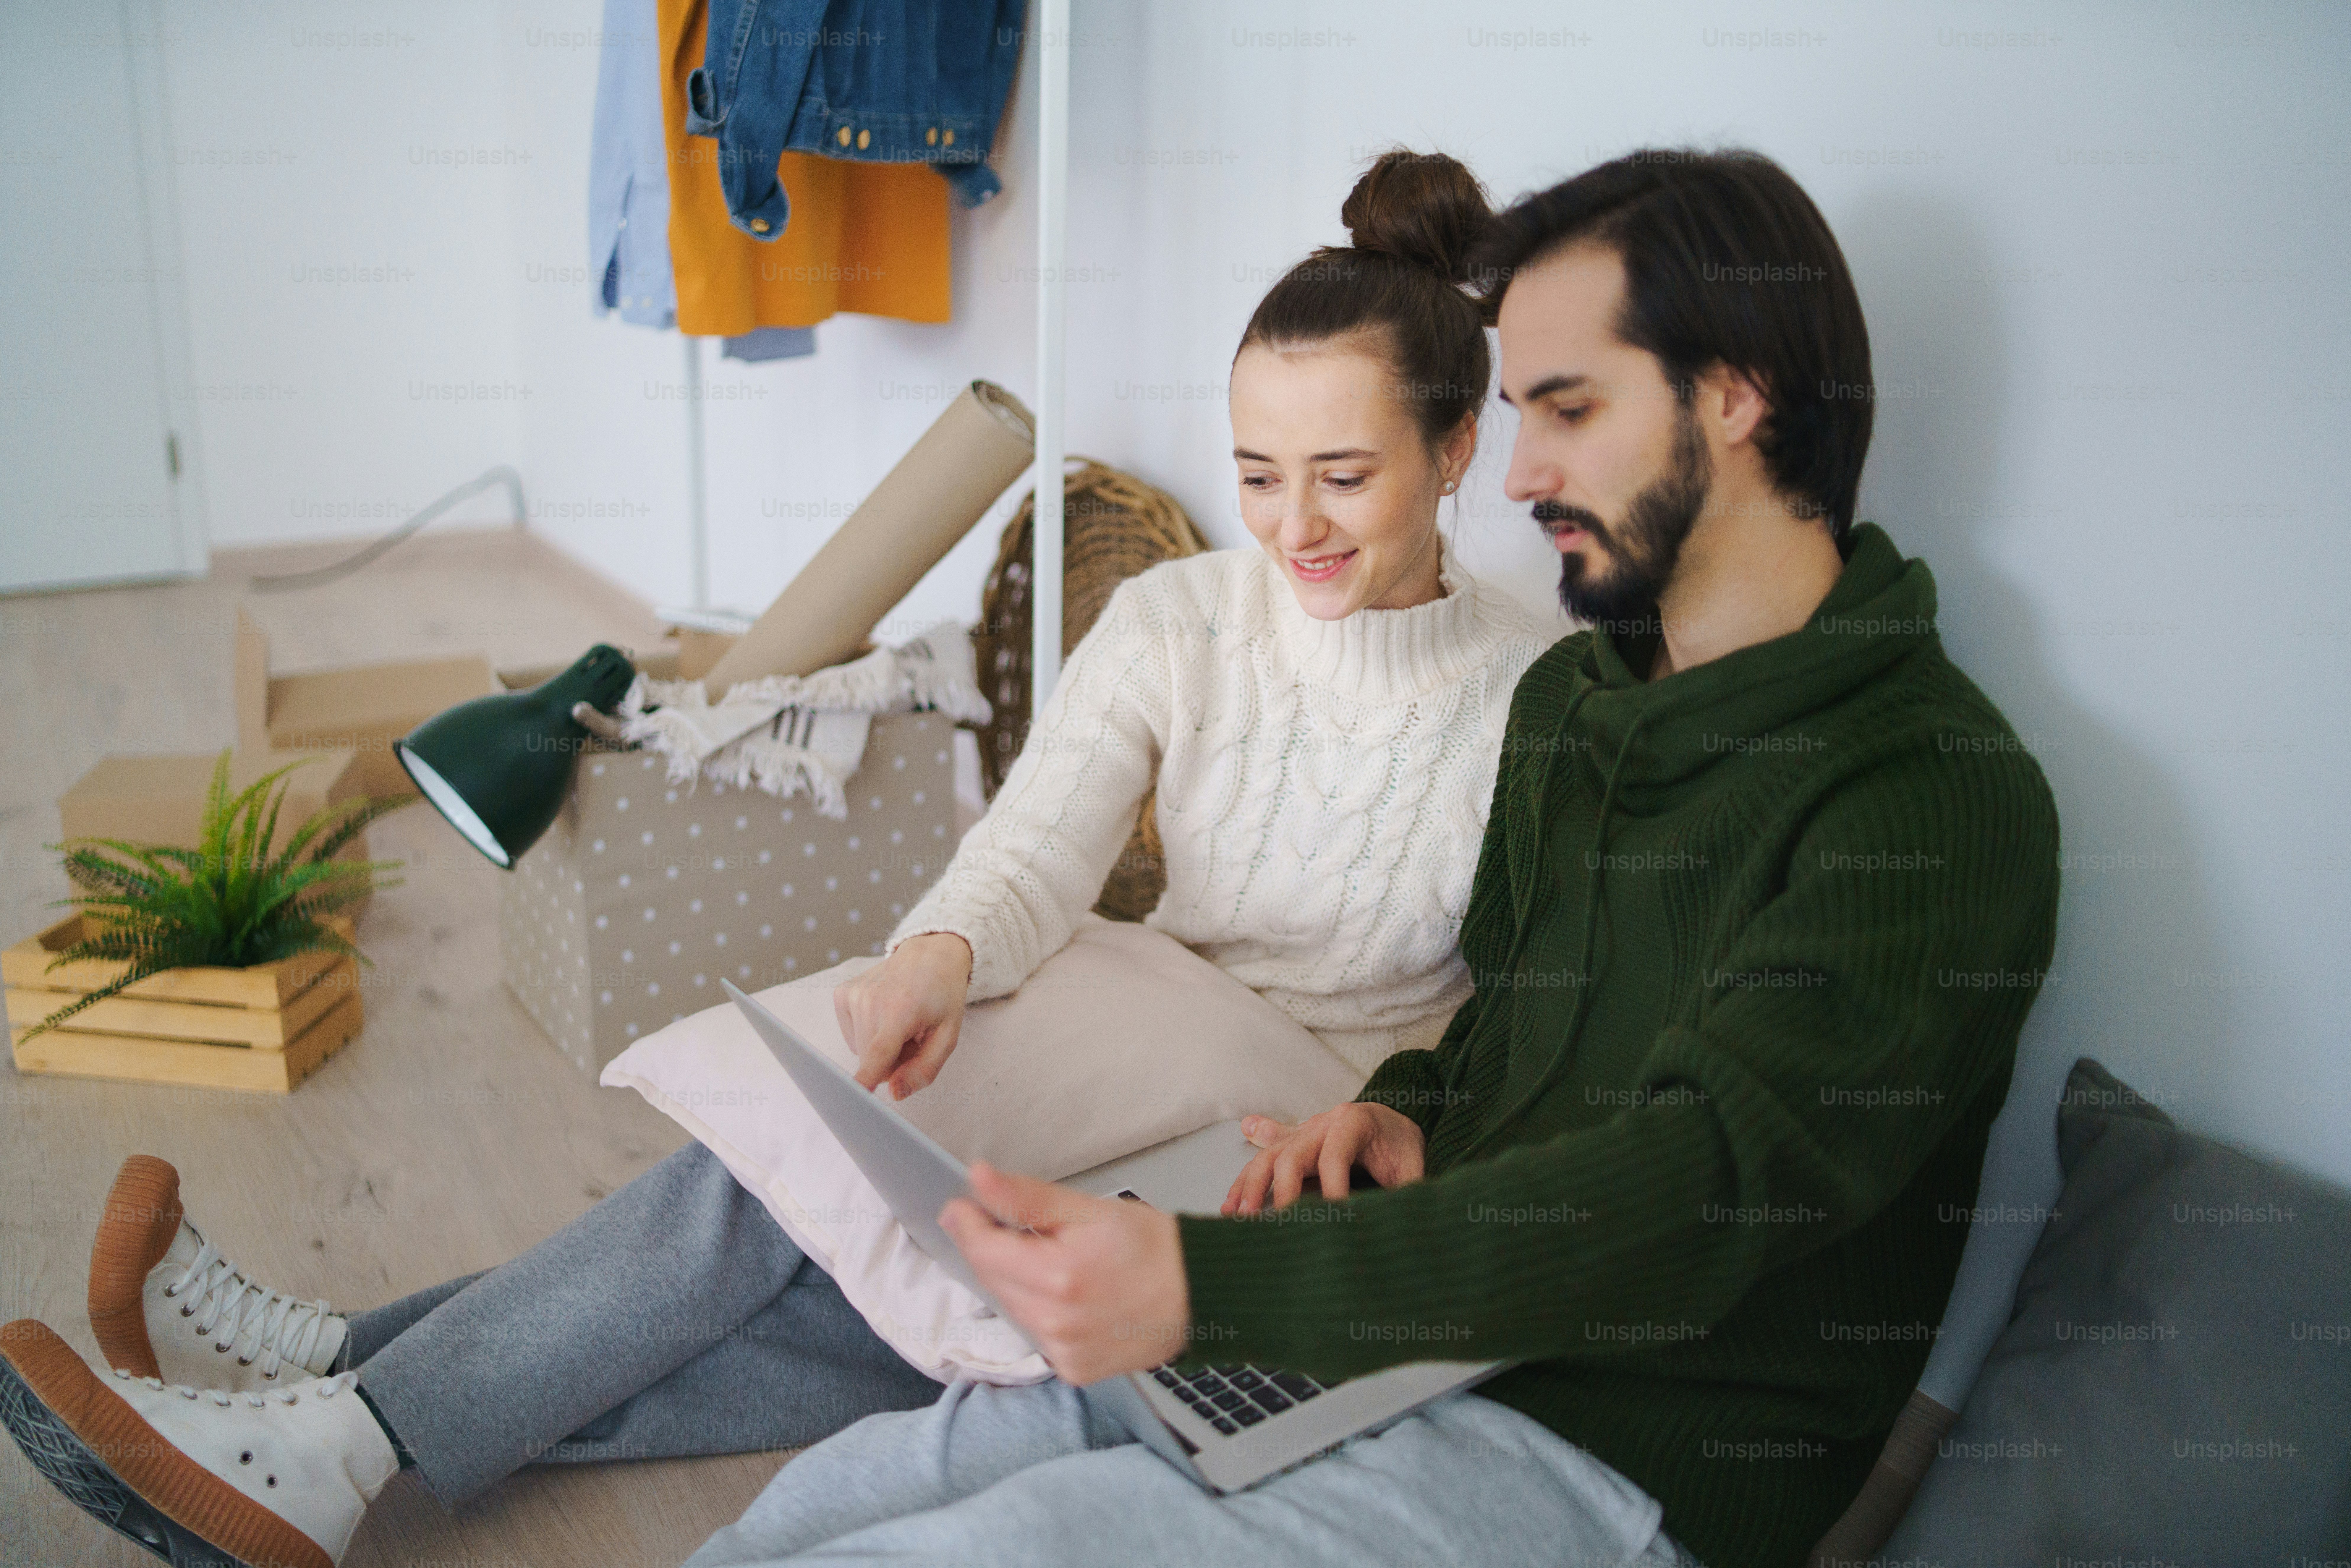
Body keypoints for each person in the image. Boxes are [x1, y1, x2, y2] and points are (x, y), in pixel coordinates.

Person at [0, 150, 1547, 1568]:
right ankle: (332, 1419)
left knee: (851, 1268)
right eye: (1259, 473)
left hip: (1313, 1124)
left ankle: (336, 1391)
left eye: (1343, 475)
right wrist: (936, 954)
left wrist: (1393, 1130)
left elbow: (1544, 1009)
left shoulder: (1546, 694)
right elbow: (1034, 841)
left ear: (1457, 446)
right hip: (1147, 1022)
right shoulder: (1179, 616)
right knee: (831, 1222)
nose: (1292, 525)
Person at [656, 147, 2065, 1568]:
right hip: (1389, 1326)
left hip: (1596, 1449)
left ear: (1736, 396)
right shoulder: (1580, 705)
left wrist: (1218, 1282)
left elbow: (1695, 1189)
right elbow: (1502, 1029)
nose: (1521, 474)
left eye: (1569, 409)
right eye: (1519, 416)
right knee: (850, 1497)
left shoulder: (1931, 798)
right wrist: (1402, 1111)